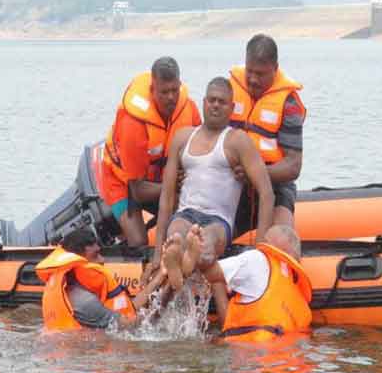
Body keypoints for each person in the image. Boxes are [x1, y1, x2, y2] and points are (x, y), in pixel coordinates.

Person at [148, 76, 274, 290]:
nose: (216, 105)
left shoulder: (238, 140)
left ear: (231, 107)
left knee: (205, 246)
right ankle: (179, 260)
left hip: (218, 220)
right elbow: (167, 198)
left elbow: (266, 193)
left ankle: (182, 265)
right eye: (212, 100)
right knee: (177, 234)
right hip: (185, 212)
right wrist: (156, 250)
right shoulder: (182, 138)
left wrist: (260, 252)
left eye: (222, 102)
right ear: (204, 102)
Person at [99, 56, 202, 247]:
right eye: (164, 92)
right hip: (124, 184)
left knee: (194, 220)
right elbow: (137, 191)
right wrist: (172, 184)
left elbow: (201, 151)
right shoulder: (134, 124)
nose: (171, 97)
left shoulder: (189, 110)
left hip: (162, 180)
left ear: (180, 84)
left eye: (174, 90)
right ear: (153, 88)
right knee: (139, 242)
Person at [229, 34, 307, 236]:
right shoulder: (228, 92)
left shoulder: (289, 104)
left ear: (275, 68)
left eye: (261, 74)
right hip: (232, 181)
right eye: (250, 71)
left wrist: (254, 173)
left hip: (276, 185)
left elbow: (293, 165)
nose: (253, 79)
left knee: (283, 238)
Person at [196, 224, 312, 343]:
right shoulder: (303, 307)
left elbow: (210, 273)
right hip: (284, 356)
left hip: (252, 355)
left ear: (267, 244)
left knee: (209, 342)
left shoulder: (258, 259)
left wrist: (203, 249)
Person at [35, 228, 165, 331]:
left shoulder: (73, 286)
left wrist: (161, 276)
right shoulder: (83, 301)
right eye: (95, 255)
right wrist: (167, 300)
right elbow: (129, 326)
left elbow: (130, 310)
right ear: (78, 259)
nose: (102, 260)